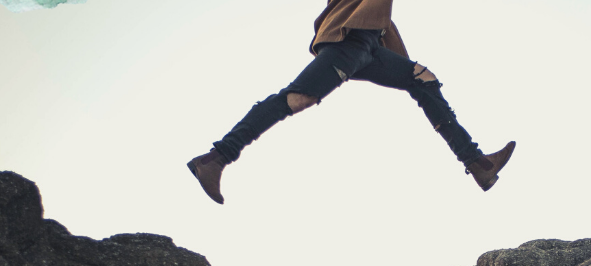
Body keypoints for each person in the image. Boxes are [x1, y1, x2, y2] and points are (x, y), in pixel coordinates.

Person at [187, 0, 515, 204]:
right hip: (349, 41)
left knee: (423, 79)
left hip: (371, 45)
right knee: (296, 98)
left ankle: (478, 165)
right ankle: (216, 158)